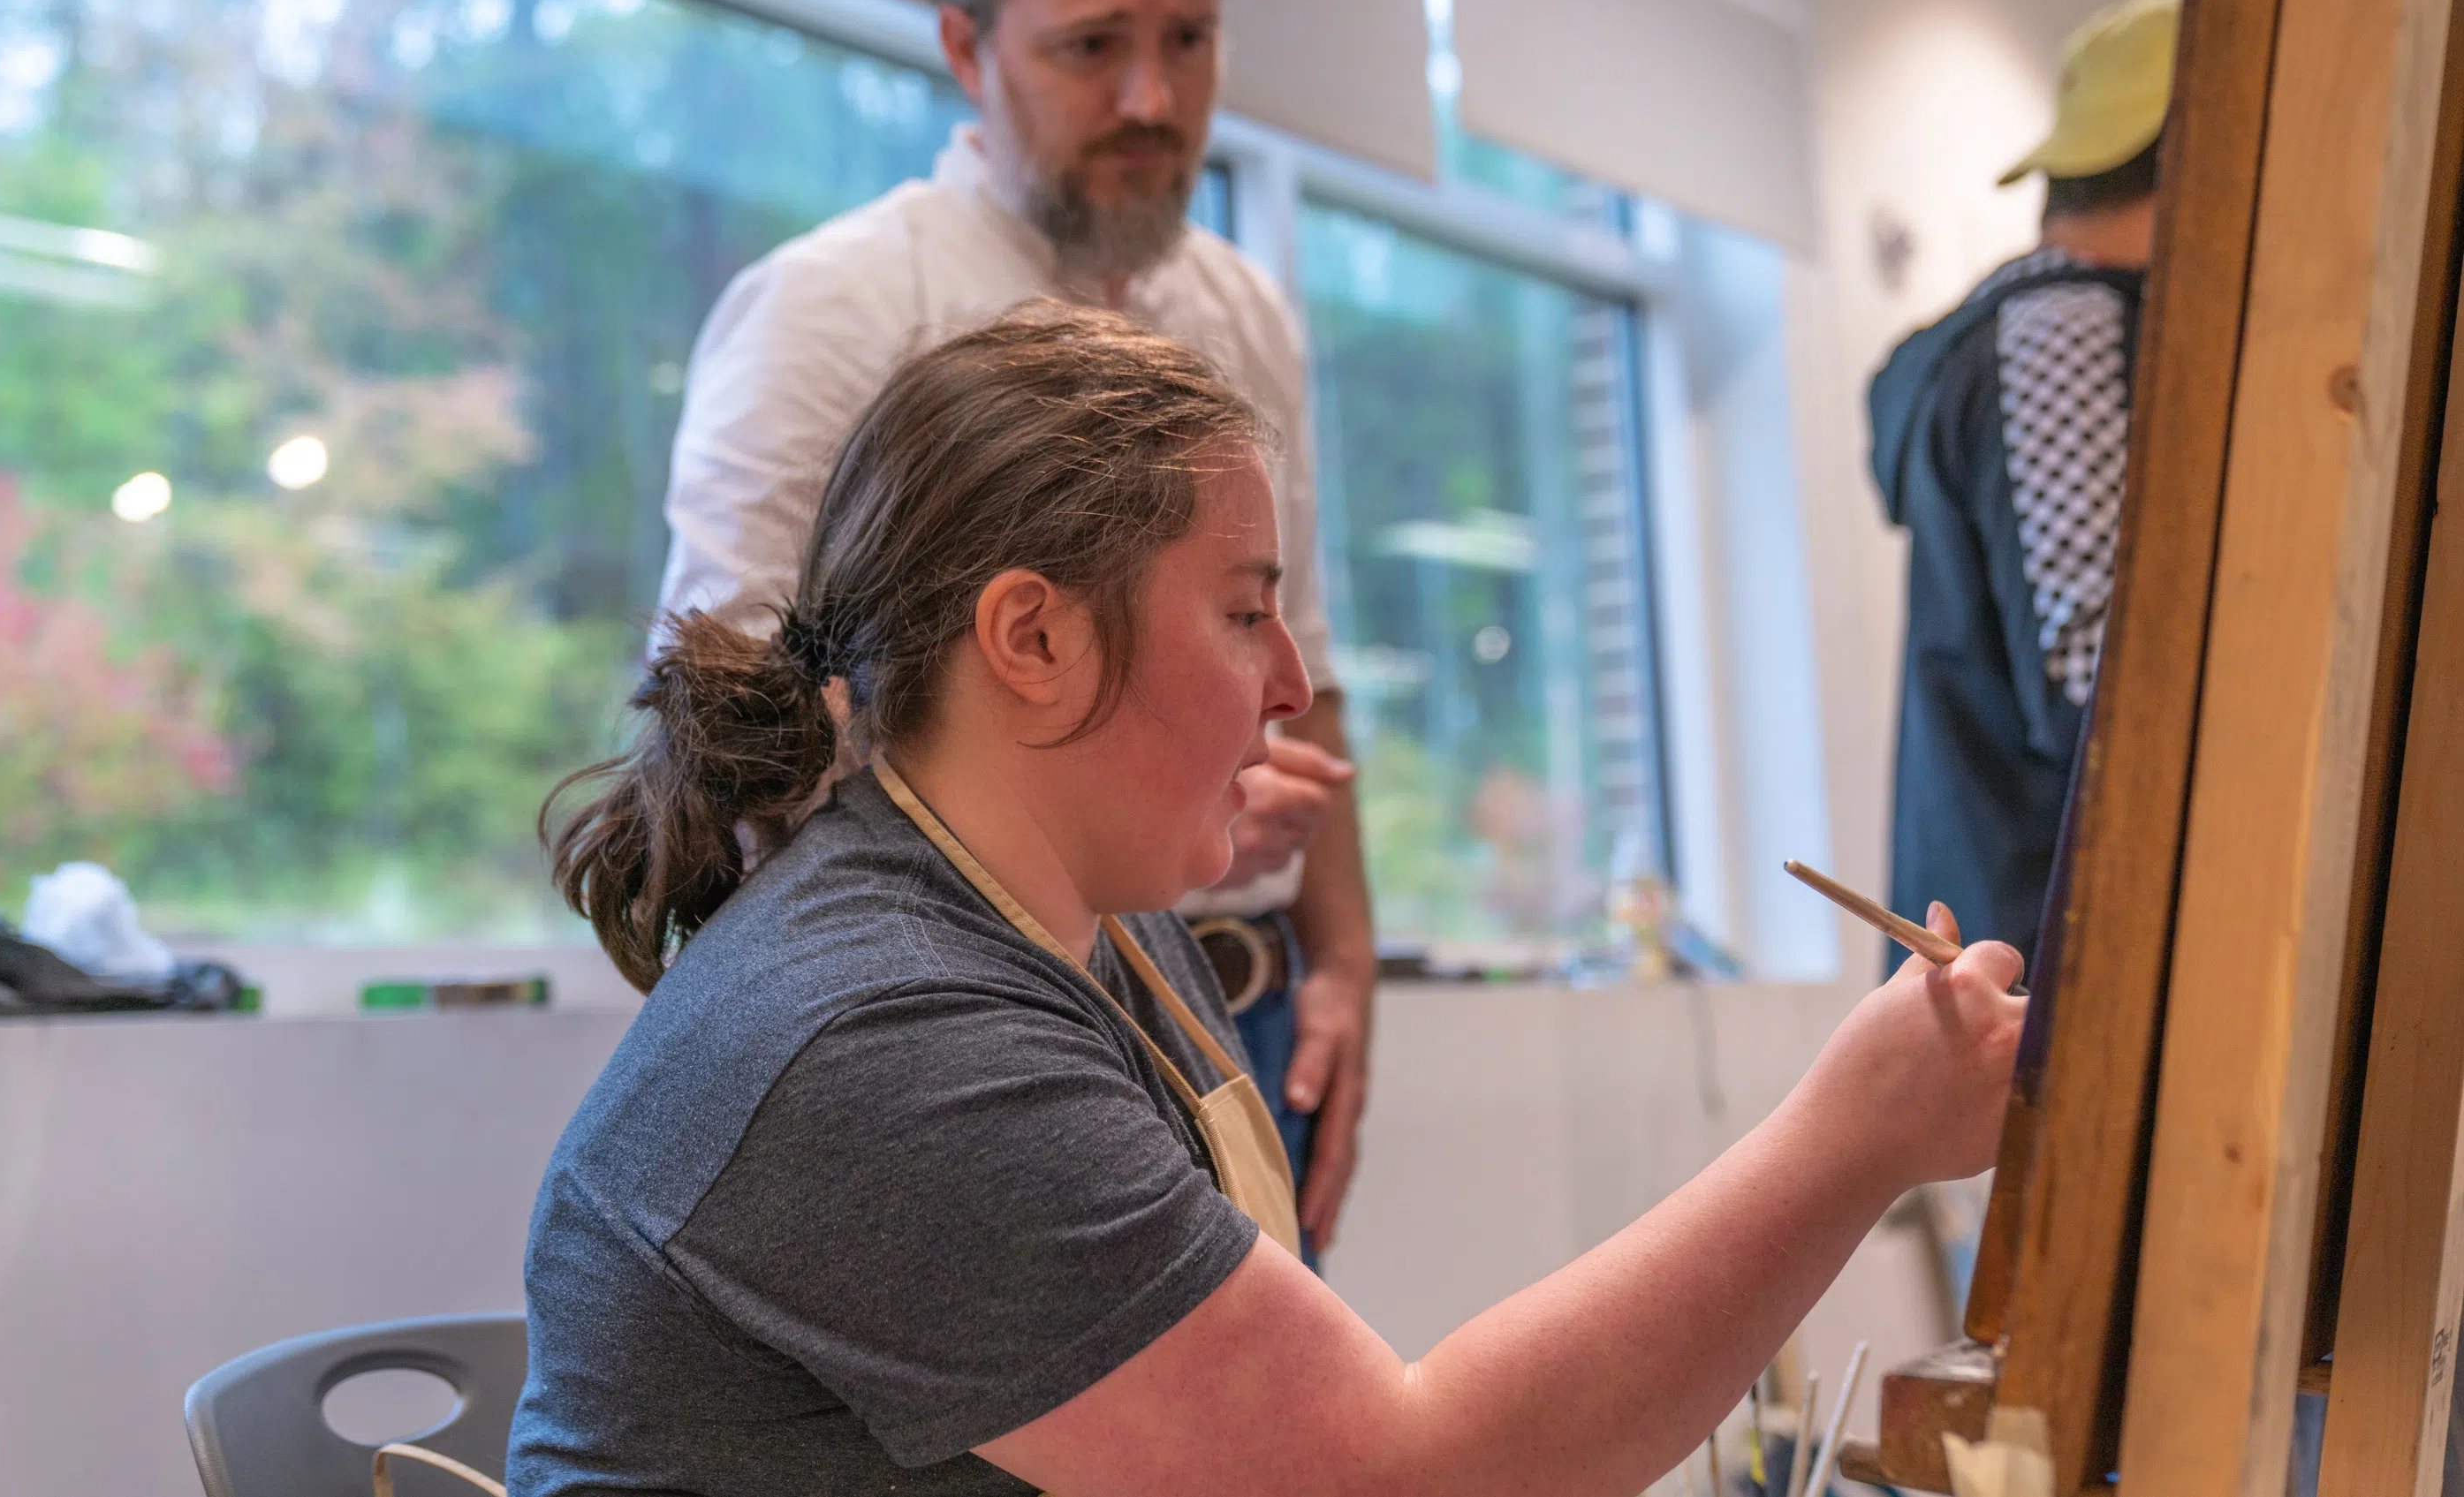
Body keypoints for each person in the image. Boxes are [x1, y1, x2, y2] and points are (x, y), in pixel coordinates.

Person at [512, 306, 2025, 1497]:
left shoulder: (1101, 929)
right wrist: (1855, 1139)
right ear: (1031, 636)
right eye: (1244, 613)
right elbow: (1406, 1473)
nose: (1296, 687)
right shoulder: (881, 1040)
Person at [652, 0, 1371, 1247]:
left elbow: (1304, 664)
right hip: (971, 1005)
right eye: (1092, 46)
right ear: (968, 49)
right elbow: (728, 718)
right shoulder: (833, 308)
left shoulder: (1239, 312)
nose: (1154, 102)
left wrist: (1348, 953)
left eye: (1189, 41)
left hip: (1244, 999)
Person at [1869, 0, 2176, 971]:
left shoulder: (1998, 336)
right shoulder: (2066, 334)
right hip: (2054, 981)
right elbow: (2101, 678)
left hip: (1994, 960)